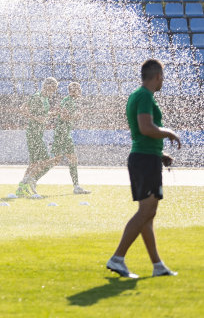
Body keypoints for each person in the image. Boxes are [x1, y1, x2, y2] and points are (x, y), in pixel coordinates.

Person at [106, 59, 182, 279]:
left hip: (146, 157)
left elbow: (141, 133)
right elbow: (146, 128)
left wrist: (160, 154)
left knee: (148, 214)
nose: (163, 81)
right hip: (144, 160)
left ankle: (157, 265)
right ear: (157, 76)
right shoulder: (145, 96)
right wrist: (169, 132)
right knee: (146, 211)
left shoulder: (136, 95)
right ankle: (117, 258)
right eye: (163, 77)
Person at [15, 77, 59, 197]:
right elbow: (22, 109)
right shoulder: (37, 96)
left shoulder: (45, 98)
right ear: (47, 85)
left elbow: (43, 114)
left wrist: (53, 113)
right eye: (53, 87)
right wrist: (36, 118)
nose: (55, 90)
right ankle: (30, 181)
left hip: (38, 133)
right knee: (46, 160)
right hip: (33, 132)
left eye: (56, 88)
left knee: (33, 163)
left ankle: (21, 189)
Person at [50, 81, 91, 195]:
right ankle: (31, 179)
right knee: (60, 160)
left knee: (64, 159)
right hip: (62, 134)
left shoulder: (69, 101)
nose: (78, 91)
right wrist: (75, 117)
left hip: (63, 133)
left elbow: (60, 114)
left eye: (78, 88)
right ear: (71, 91)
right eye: (76, 89)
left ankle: (76, 186)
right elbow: (63, 116)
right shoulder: (68, 101)